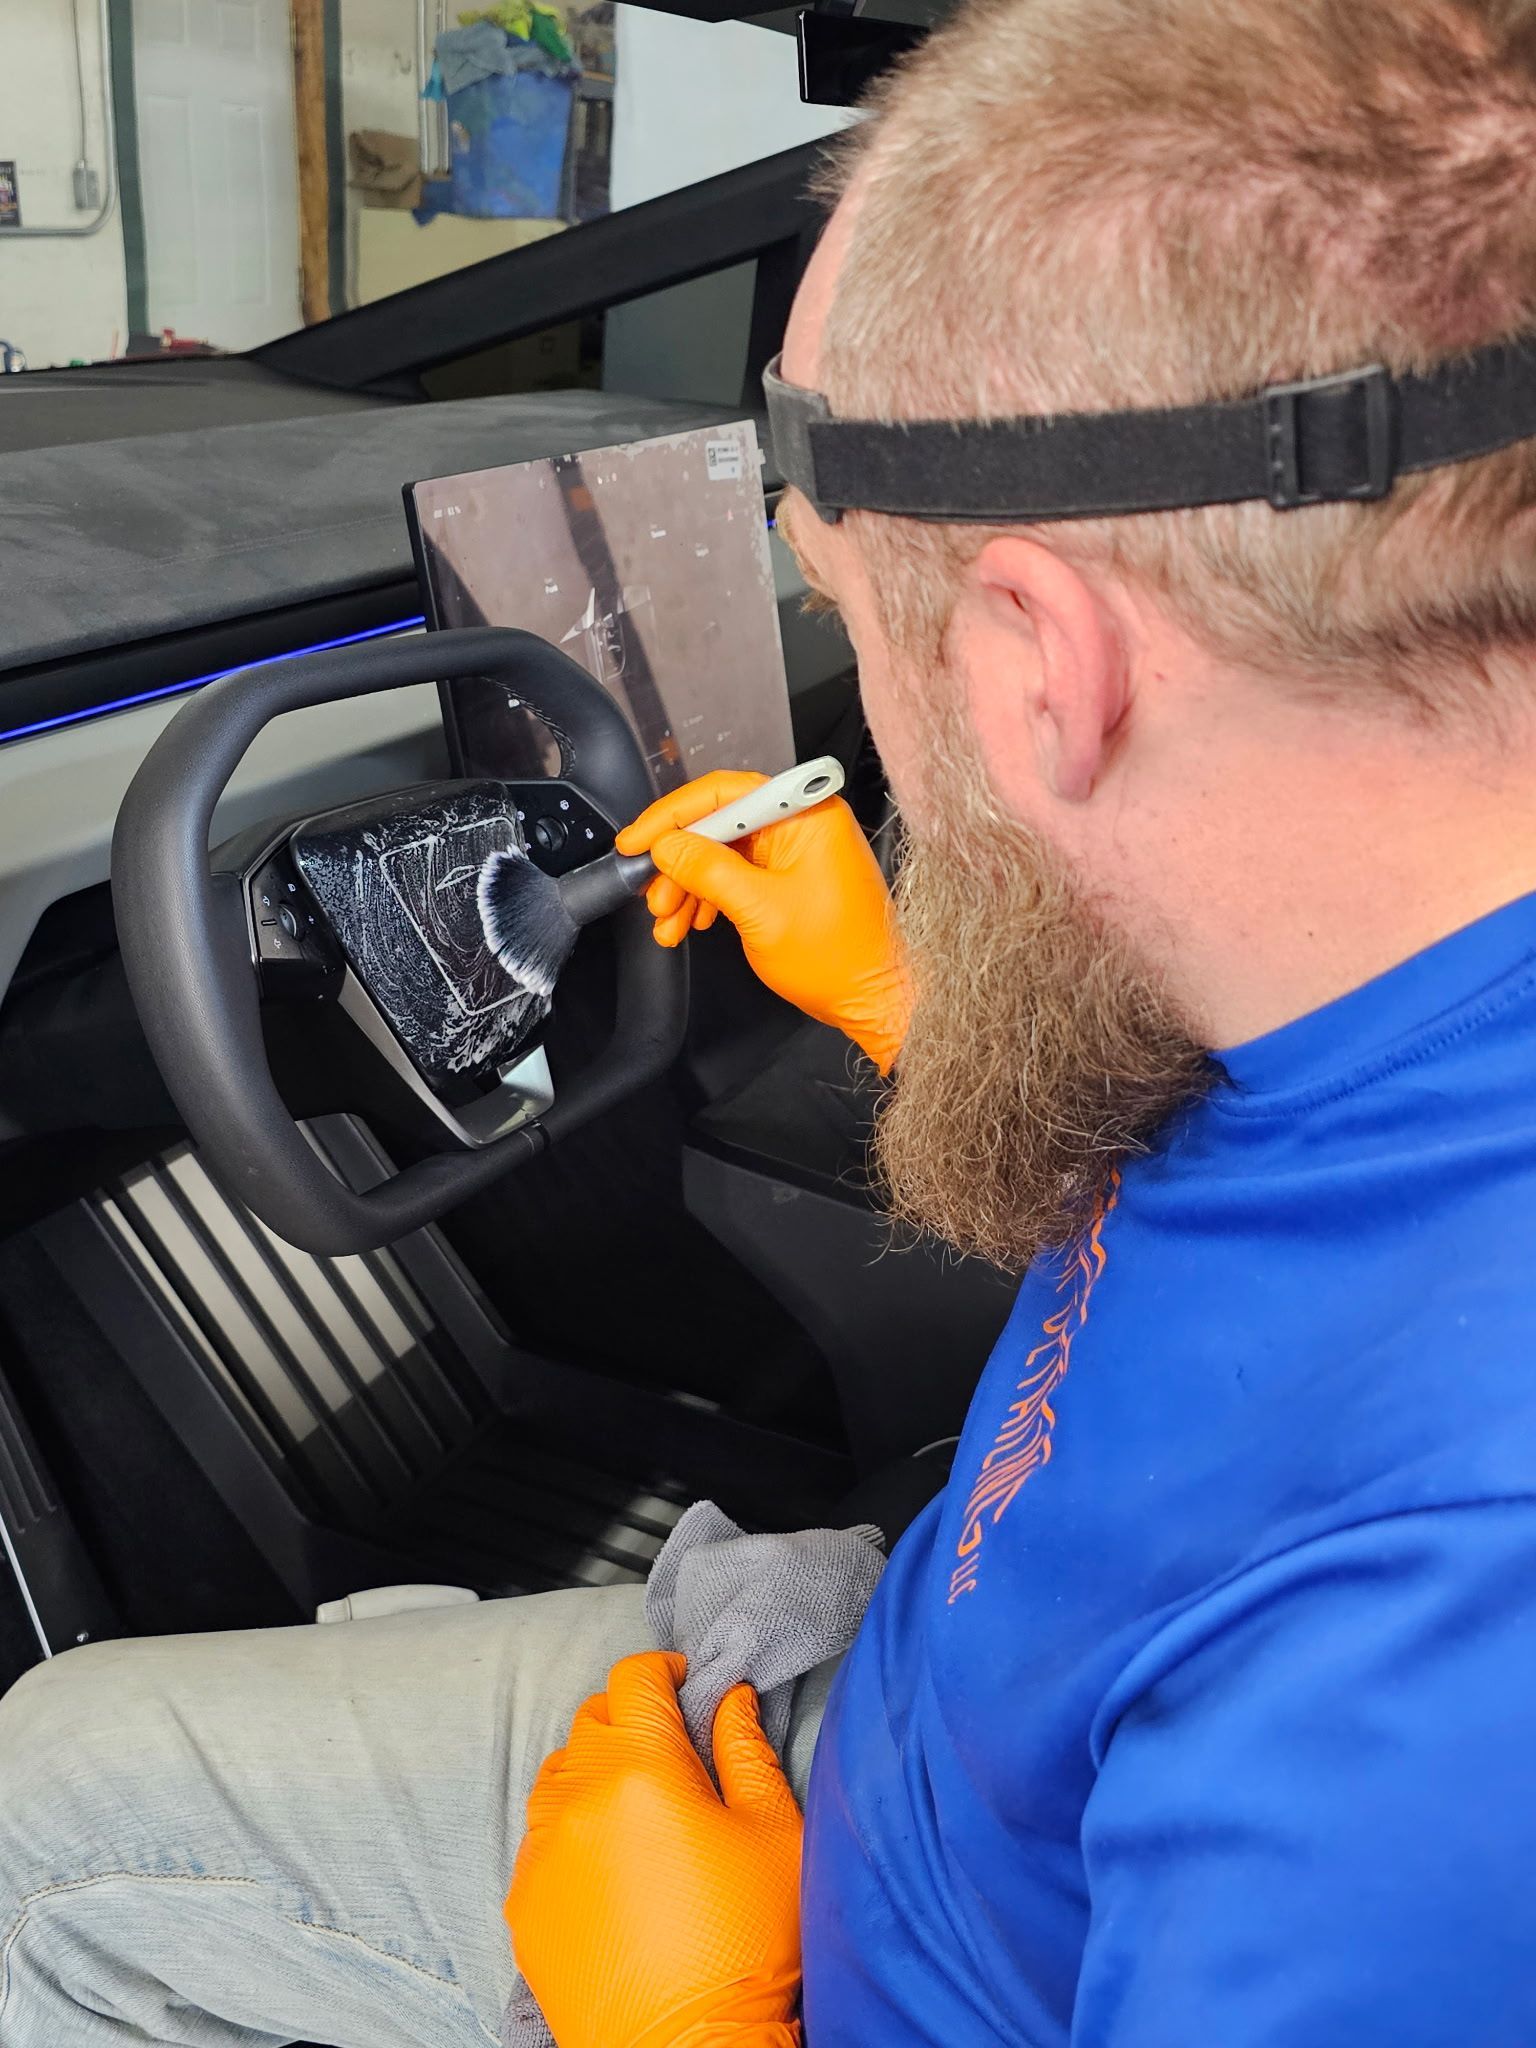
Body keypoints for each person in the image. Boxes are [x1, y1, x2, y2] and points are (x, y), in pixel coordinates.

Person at [9, 0, 1536, 2039]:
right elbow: (1269, 1284)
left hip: (839, 1952)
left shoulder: (1445, 1687)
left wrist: (685, 2022)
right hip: (902, 1693)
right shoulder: (1386, 1007)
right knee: (52, 1772)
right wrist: (909, 1000)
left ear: (1034, 668)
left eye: (843, 613)